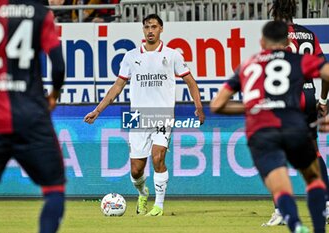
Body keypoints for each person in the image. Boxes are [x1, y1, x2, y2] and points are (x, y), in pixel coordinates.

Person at [210, 20, 329, 233]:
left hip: (263, 130)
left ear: (262, 41)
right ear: (286, 42)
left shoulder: (249, 64)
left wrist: (253, 106)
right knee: (312, 174)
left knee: (278, 178)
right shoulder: (298, 59)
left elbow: (217, 104)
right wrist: (324, 101)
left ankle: (289, 219)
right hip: (296, 121)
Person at [84, 13, 205, 216]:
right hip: (137, 117)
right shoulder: (131, 56)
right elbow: (118, 86)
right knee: (136, 170)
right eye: (147, 26)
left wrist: (198, 106)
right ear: (143, 29)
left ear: (161, 29)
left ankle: (159, 206)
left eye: (154, 26)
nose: (151, 30)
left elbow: (190, 82)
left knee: (158, 158)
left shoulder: (172, 55)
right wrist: (97, 110)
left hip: (163, 115)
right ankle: (143, 193)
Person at [0, 1, 65, 233]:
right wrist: (54, 94)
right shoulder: (40, 13)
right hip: (32, 118)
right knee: (55, 189)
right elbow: (58, 66)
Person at [262, 0, 329, 226]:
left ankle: (281, 210)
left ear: (274, 11)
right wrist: (323, 100)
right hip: (309, 95)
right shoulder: (308, 35)